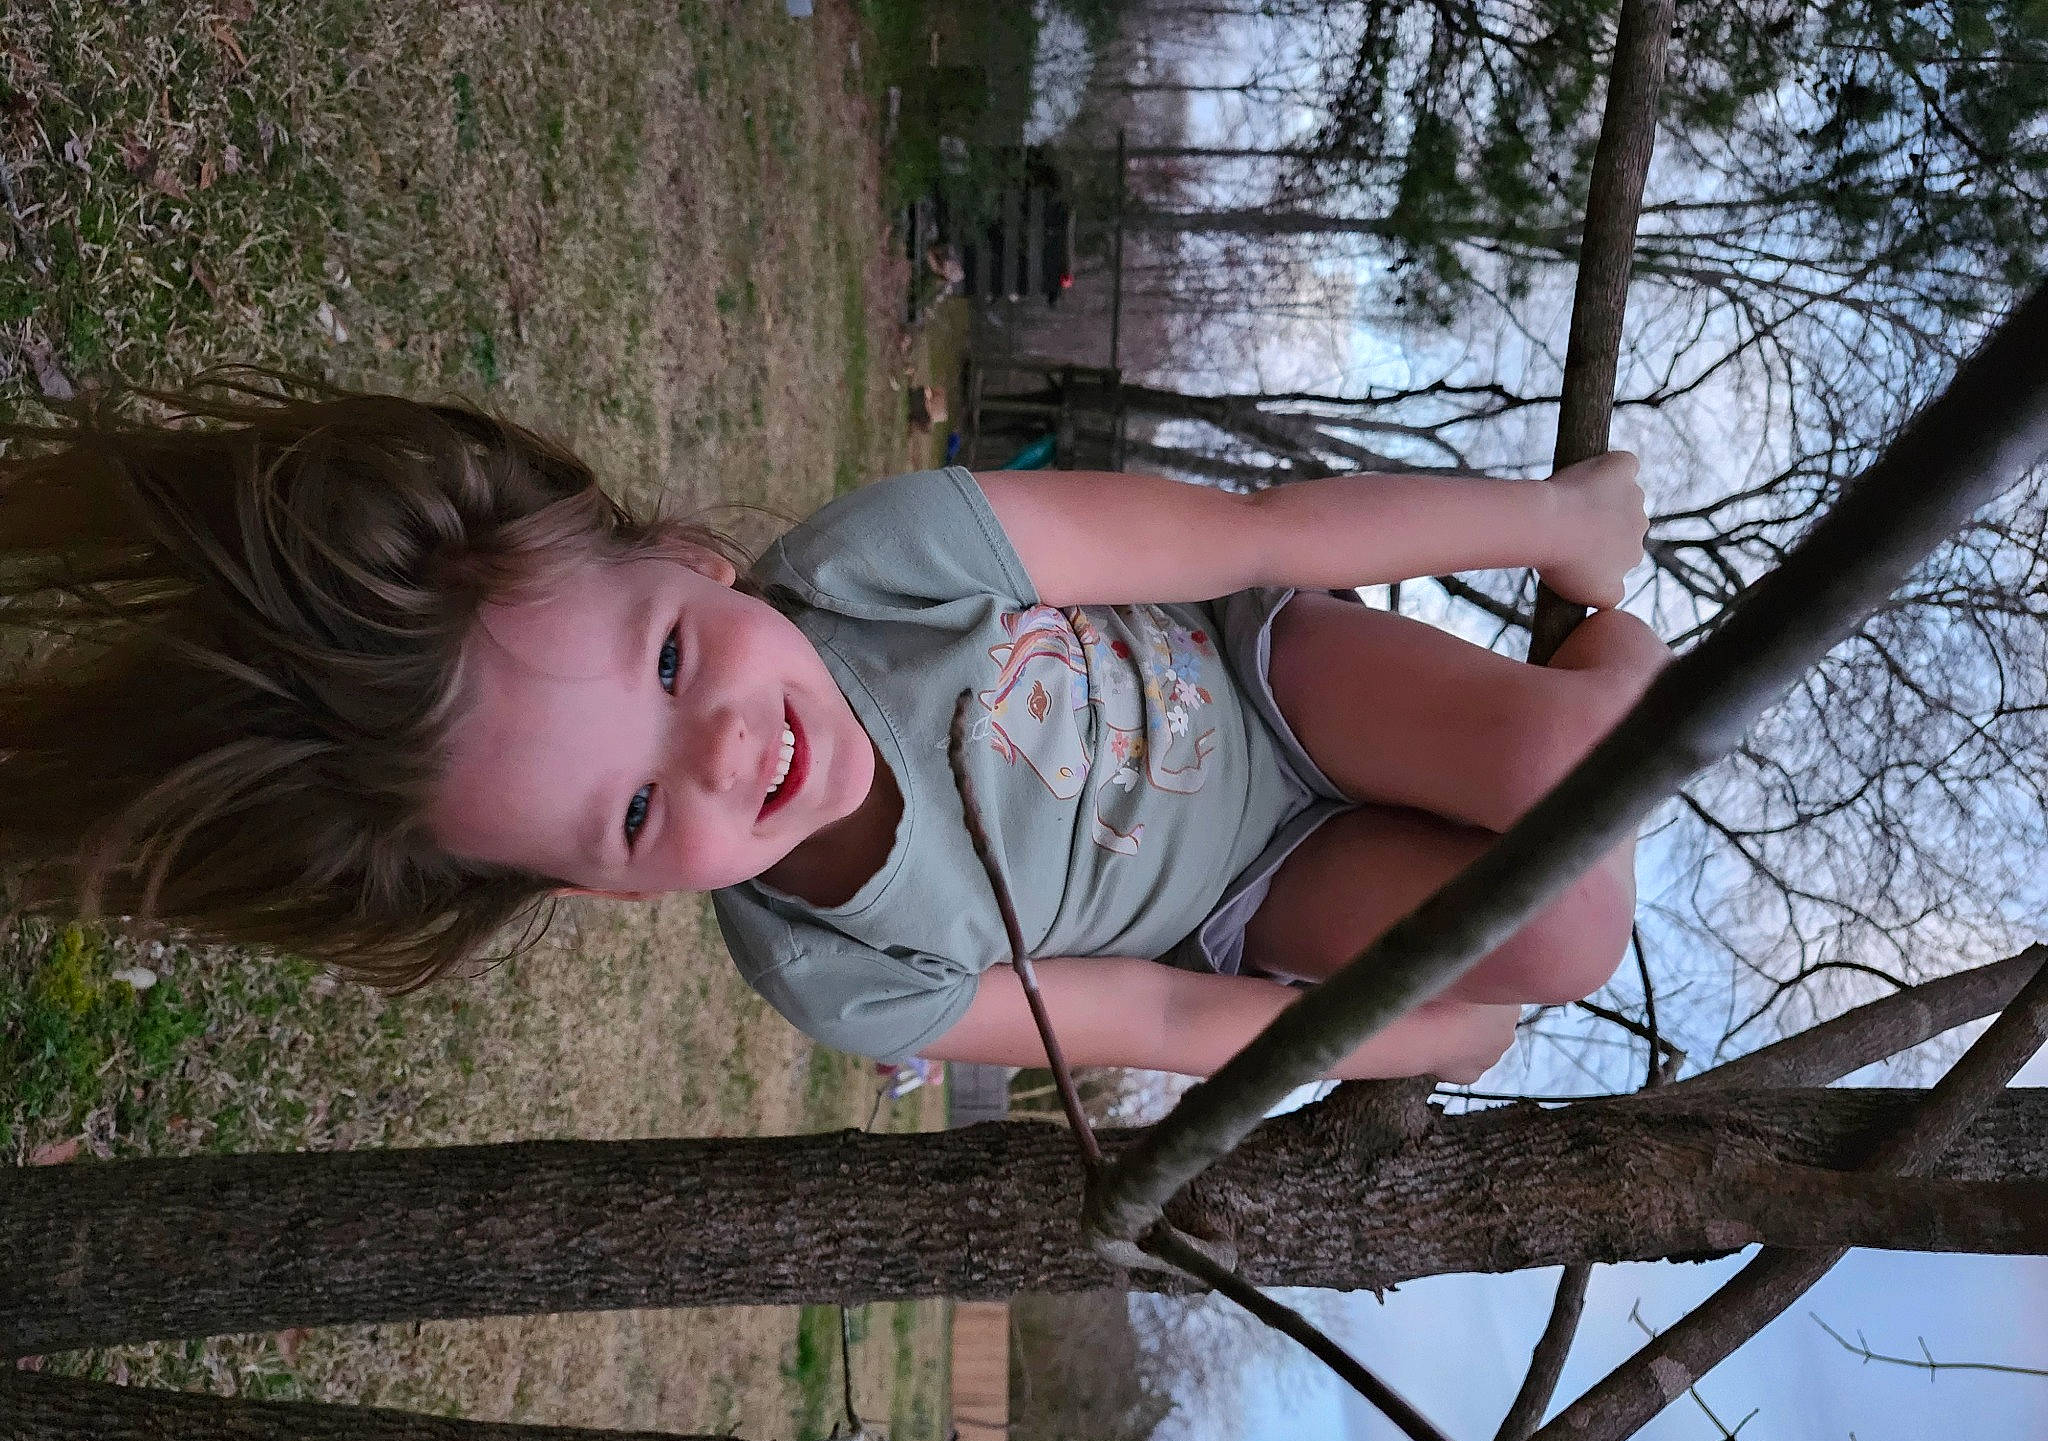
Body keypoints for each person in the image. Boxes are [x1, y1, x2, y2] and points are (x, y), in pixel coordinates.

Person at [0, 374, 1666, 1084]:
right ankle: (1591, 725)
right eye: (641, 816)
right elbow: (1168, 1011)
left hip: (1264, 680)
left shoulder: (881, 564)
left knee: (1557, 774)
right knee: (1569, 930)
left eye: (667, 665)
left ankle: (1624, 645)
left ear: (691, 564)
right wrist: (1425, 1040)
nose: (722, 752)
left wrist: (1542, 527)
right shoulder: (835, 971)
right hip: (1255, 903)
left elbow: (1264, 531)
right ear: (609, 891)